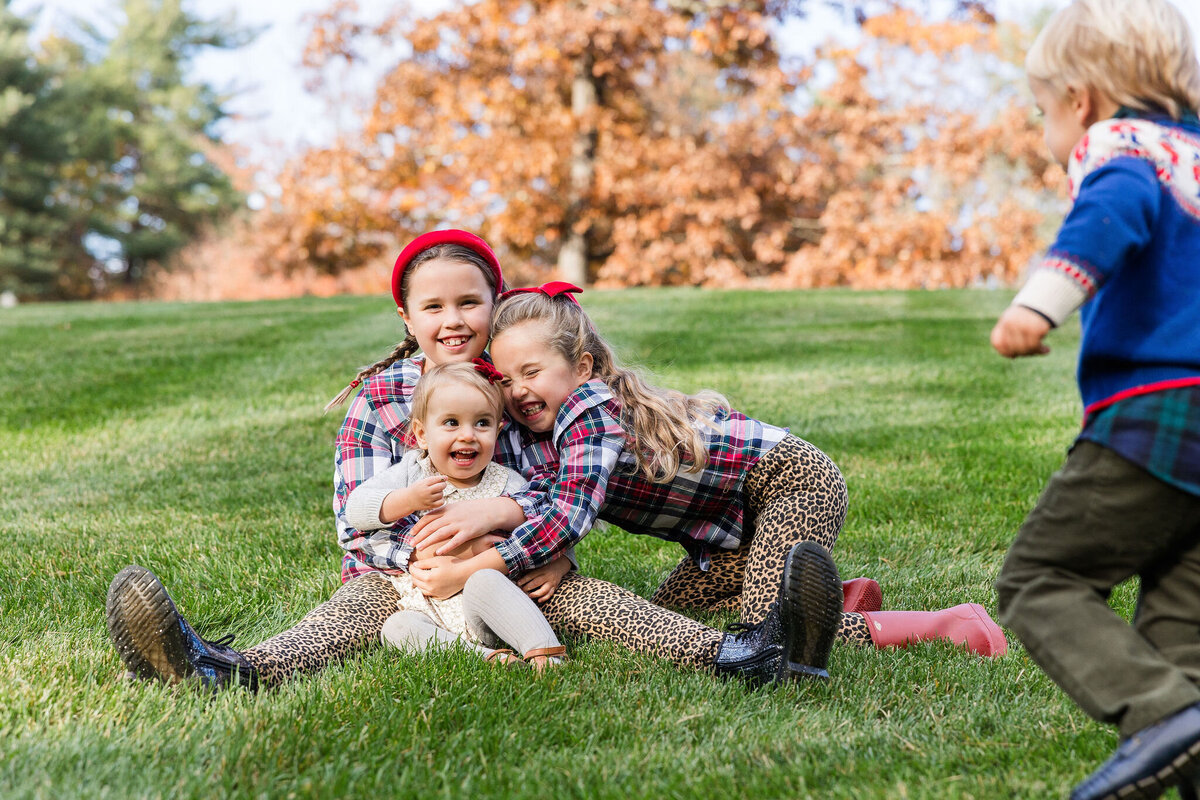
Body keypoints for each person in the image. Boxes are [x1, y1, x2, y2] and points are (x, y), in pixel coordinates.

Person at [105, 230, 829, 691]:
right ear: (407, 317)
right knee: (358, 605)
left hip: (508, 568)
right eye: (433, 307)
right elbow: (356, 525)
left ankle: (737, 656)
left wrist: (534, 552)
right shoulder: (383, 400)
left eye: (468, 303)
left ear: (495, 303)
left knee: (574, 595)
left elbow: (558, 492)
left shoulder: (514, 390)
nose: (452, 321)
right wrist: (421, 565)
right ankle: (228, 670)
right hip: (407, 574)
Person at [408, 283, 1008, 668]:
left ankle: (949, 626)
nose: (518, 390)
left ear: (582, 366)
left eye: (532, 371)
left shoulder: (588, 411)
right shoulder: (548, 431)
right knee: (675, 612)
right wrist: (553, 555)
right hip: (728, 537)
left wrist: (471, 569)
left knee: (767, 640)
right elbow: (548, 502)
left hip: (790, 483)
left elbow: (568, 513)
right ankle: (836, 598)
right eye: (506, 379)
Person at [989, 1, 1200, 797]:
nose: (1047, 129)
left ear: (1079, 100)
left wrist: (1035, 308)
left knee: (1041, 576)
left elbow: (1108, 219)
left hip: (1161, 413)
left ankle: (1159, 714)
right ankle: (1176, 721)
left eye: (1042, 110)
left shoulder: (1124, 150)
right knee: (1181, 642)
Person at [351, 360, 568, 670]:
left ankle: (546, 653)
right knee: (397, 628)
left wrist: (562, 562)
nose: (468, 435)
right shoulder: (412, 472)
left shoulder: (507, 482)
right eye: (451, 422)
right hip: (431, 608)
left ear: (497, 430)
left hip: (488, 607)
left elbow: (548, 526)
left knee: (484, 579)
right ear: (422, 434)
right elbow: (355, 509)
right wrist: (407, 499)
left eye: (482, 423)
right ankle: (488, 659)